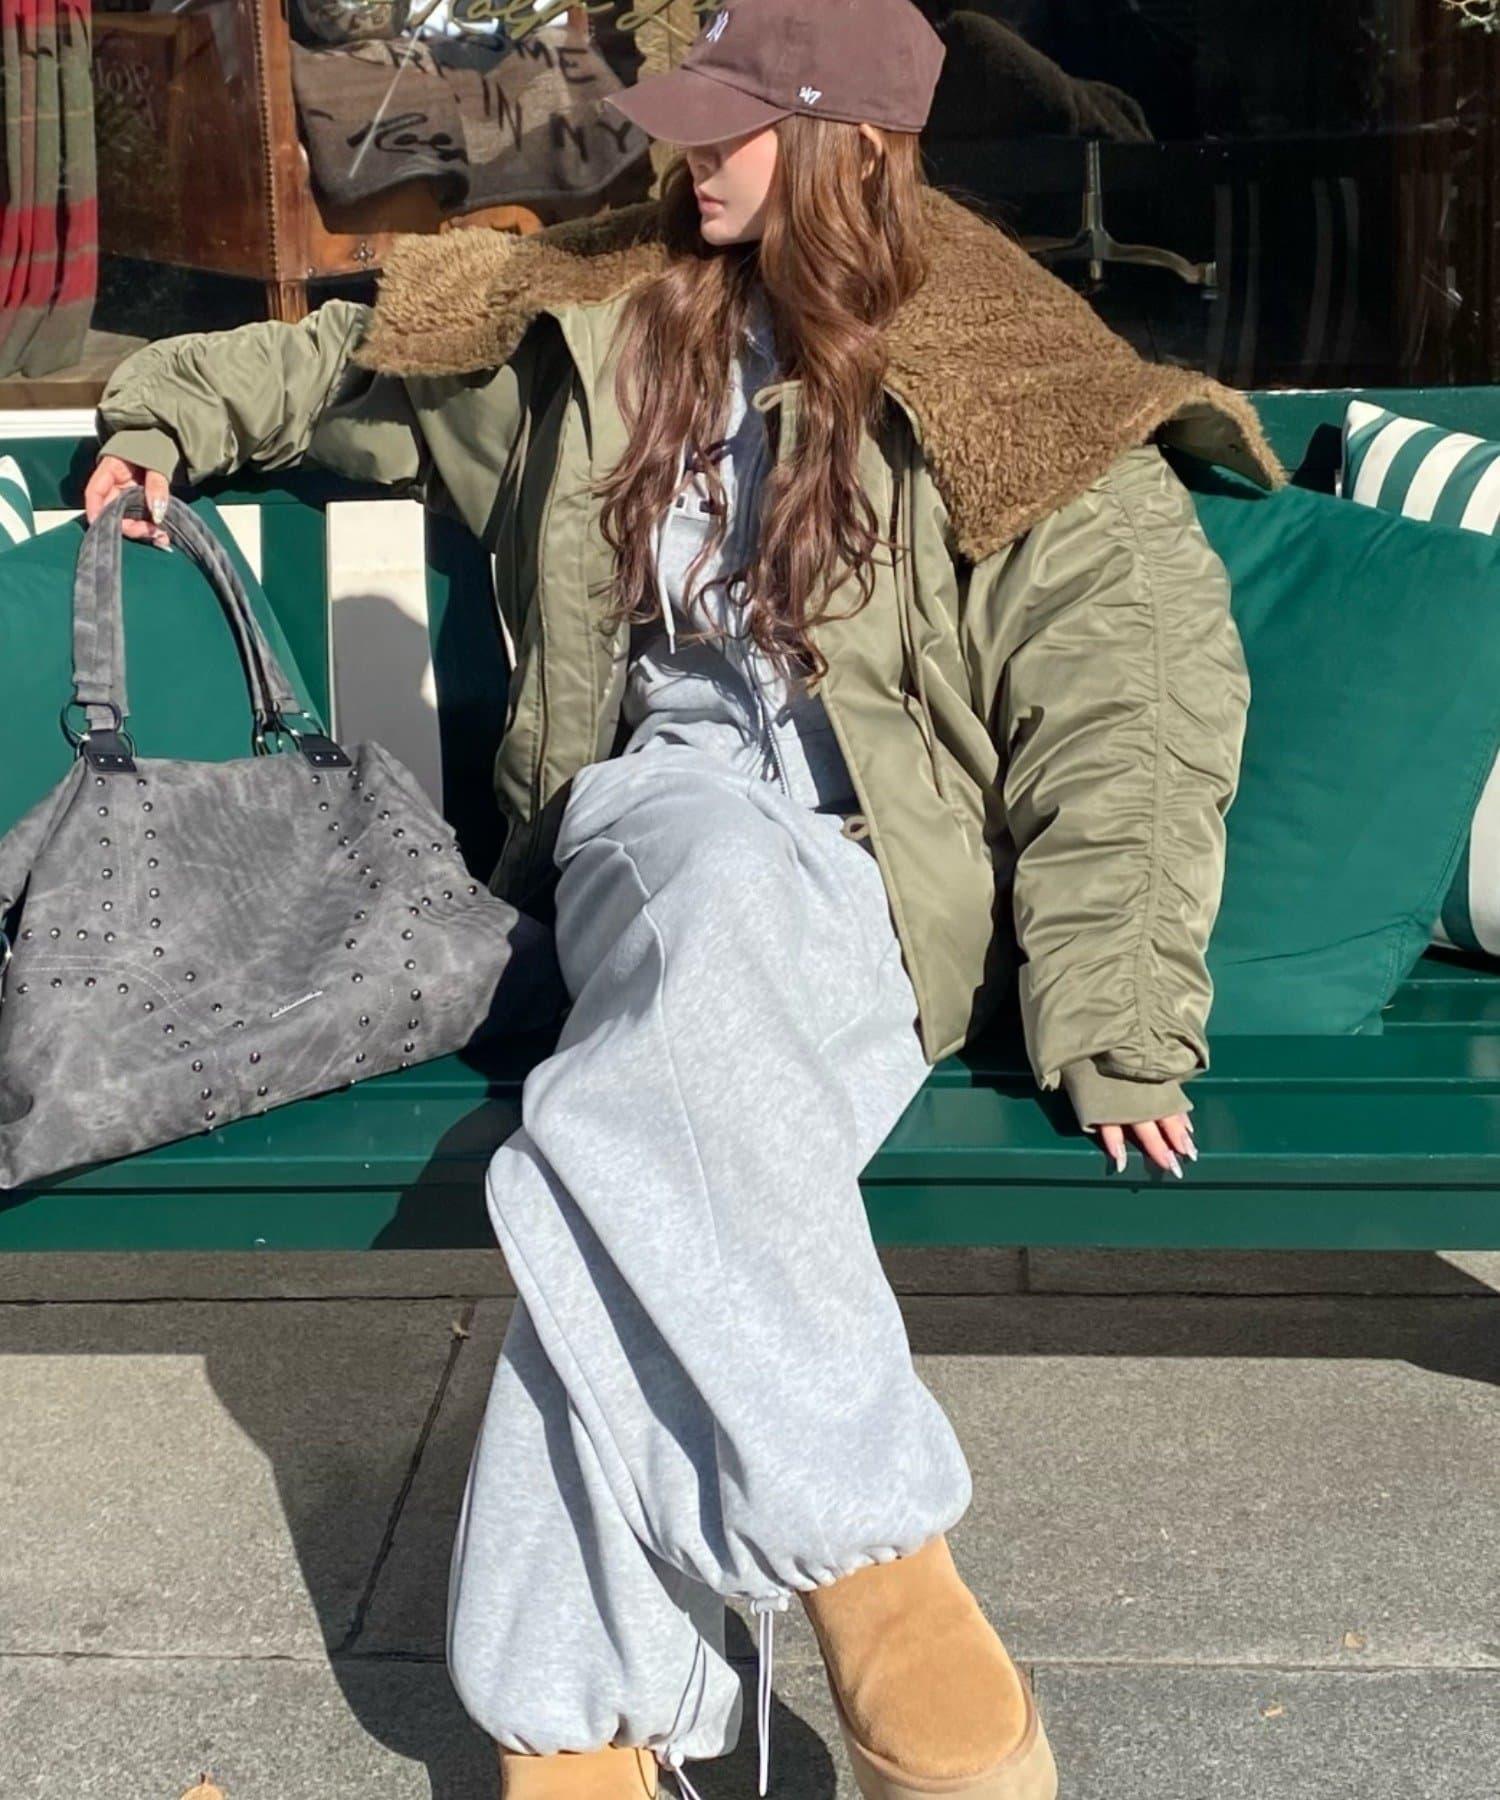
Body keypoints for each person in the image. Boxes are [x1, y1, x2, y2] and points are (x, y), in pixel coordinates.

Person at [84, 2, 1285, 1795]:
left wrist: (1117, 1014)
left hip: (882, 880)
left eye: (727, 124)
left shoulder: (1011, 368)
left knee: (628, 1151)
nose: (682, 152)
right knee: (711, 900)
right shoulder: (601, 305)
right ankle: (873, 1559)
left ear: (839, 140)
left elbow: (1134, 701)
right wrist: (170, 414)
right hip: (663, 818)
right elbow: (348, 358)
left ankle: (576, 1737)